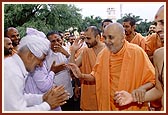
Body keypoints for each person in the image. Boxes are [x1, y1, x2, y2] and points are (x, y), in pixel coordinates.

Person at [68, 23, 155, 111]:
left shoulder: (136, 52)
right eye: (105, 37)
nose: (106, 41)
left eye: (111, 37)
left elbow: (152, 79)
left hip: (132, 106)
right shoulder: (104, 54)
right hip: (108, 105)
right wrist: (81, 76)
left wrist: (141, 89)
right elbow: (95, 76)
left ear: (122, 37)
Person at [114, 5, 164, 111]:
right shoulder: (159, 55)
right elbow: (160, 91)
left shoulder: (140, 41)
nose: (158, 29)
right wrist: (132, 97)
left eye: (163, 23)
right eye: (156, 24)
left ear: (133, 27)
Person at [4, 30, 69, 111]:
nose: (41, 65)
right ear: (30, 56)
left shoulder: (14, 67)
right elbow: (17, 110)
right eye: (41, 60)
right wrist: (48, 105)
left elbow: (19, 97)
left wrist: (42, 97)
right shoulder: (13, 72)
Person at [70, 26, 105, 111]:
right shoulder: (85, 51)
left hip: (104, 92)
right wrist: (73, 50)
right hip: (89, 94)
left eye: (88, 38)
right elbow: (73, 66)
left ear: (97, 37)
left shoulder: (108, 50)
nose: (86, 41)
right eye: (85, 38)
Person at [46, 31, 74, 111]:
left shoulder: (65, 51)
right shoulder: (45, 56)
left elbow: (74, 67)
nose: (57, 43)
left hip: (69, 92)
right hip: (55, 96)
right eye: (53, 41)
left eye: (58, 40)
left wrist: (66, 53)